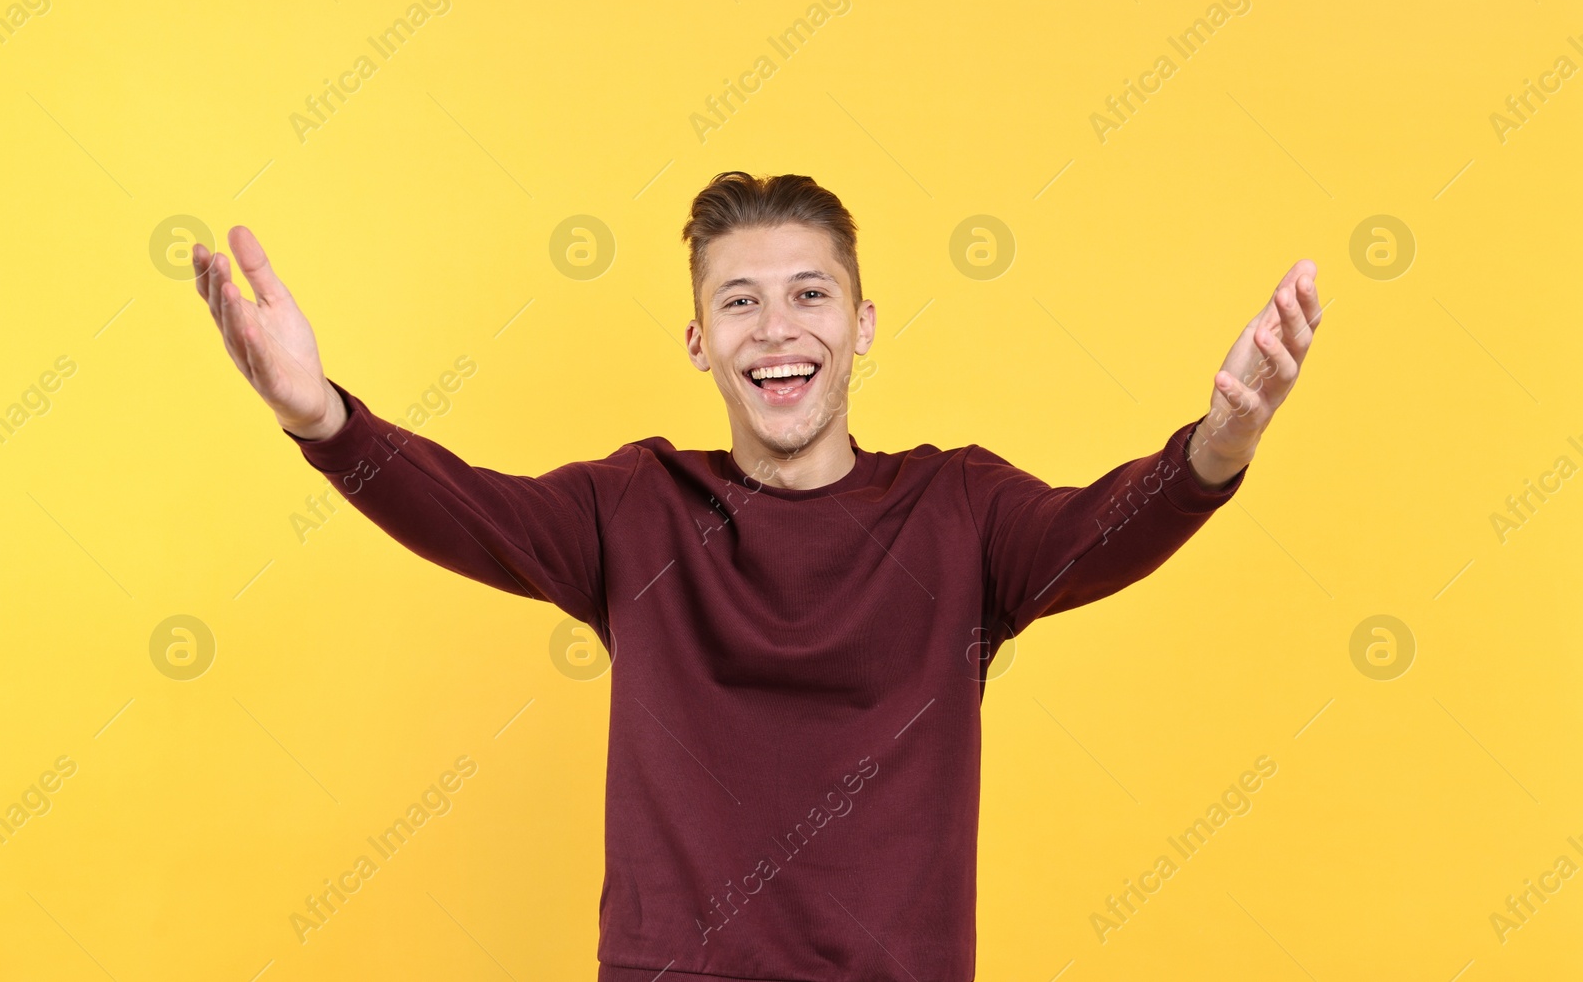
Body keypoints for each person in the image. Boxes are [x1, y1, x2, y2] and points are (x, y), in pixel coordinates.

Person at [192, 171, 1321, 981]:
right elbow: (467, 507)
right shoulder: (635, 508)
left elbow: (1102, 527)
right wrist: (322, 417)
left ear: (864, 321)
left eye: (808, 293)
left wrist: (1217, 443)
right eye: (739, 300)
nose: (776, 329)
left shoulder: (957, 510)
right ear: (696, 340)